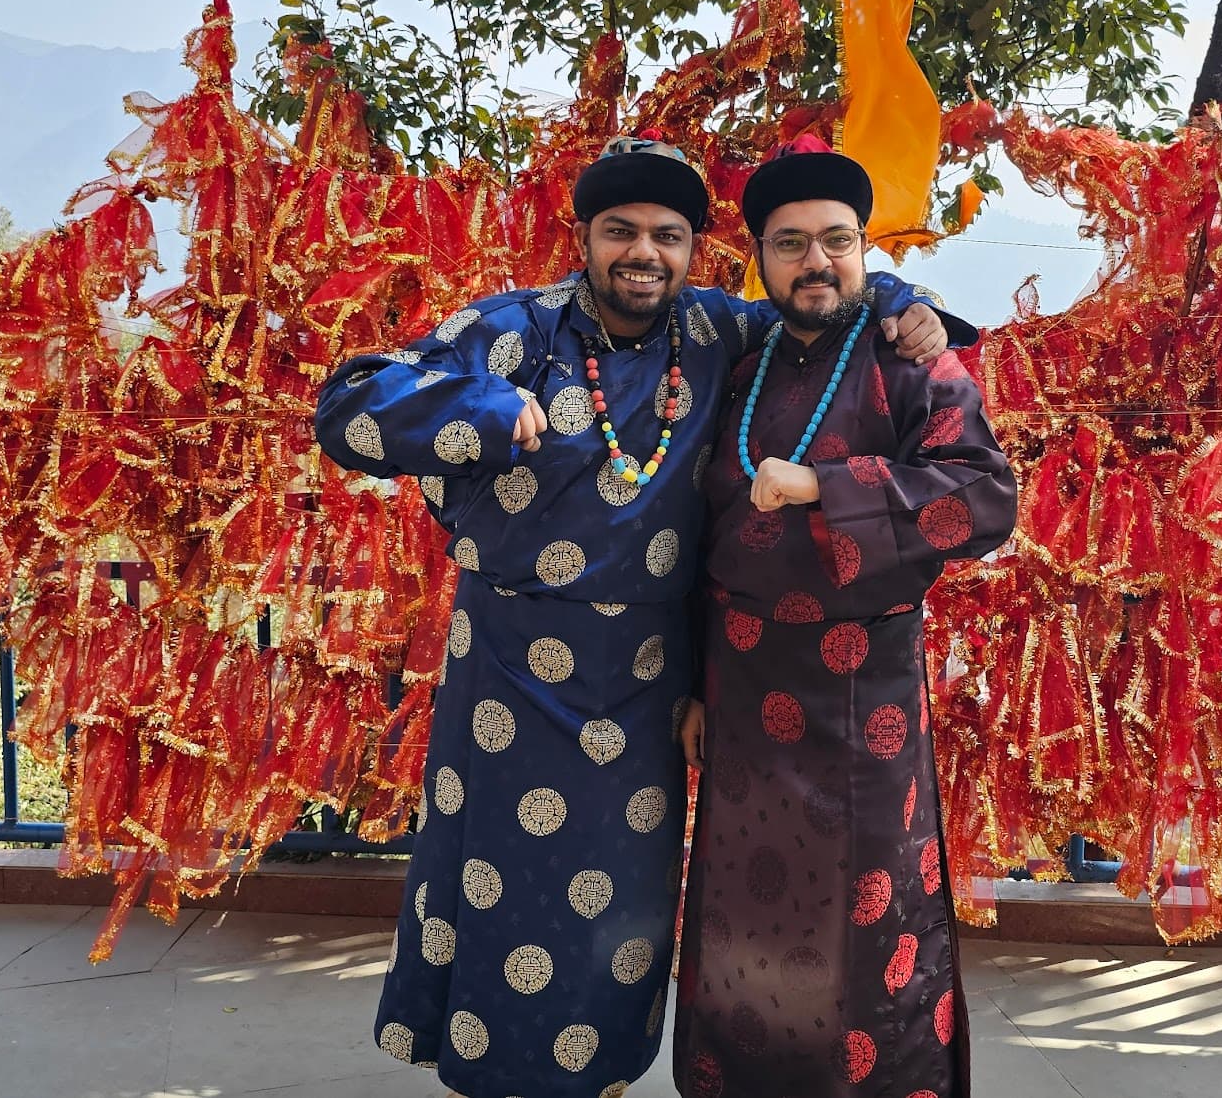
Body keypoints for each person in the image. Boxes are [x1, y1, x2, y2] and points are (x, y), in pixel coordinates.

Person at [313, 135, 973, 1098]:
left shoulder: (715, 333)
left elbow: (824, 297)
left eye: (668, 236)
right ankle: (498, 1078)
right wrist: (479, 410)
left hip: (648, 678)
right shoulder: (515, 331)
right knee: (502, 893)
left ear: (693, 250)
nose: (643, 254)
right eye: (620, 232)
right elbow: (351, 405)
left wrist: (905, 299)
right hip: (510, 665)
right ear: (583, 239)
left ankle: (606, 1078)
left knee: (624, 905)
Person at [673, 137, 1019, 1098]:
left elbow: (984, 499)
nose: (816, 263)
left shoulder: (914, 360)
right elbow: (696, 538)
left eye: (837, 240)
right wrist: (694, 684)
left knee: (867, 932)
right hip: (740, 691)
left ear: (865, 248)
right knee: (746, 921)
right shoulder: (737, 360)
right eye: (790, 244)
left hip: (860, 696)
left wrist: (828, 486)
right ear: (762, 260)